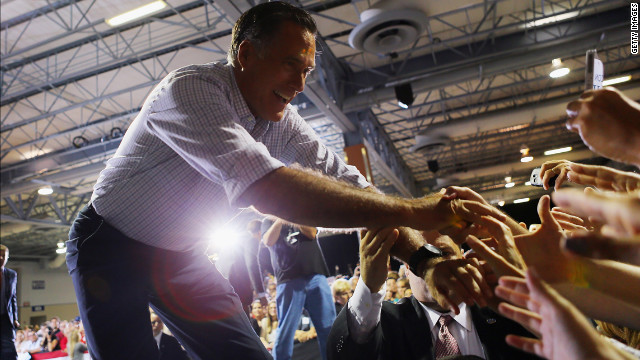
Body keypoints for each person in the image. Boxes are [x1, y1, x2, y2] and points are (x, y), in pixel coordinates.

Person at [66, 2, 504, 358]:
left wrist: (424, 260)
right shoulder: (190, 91)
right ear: (245, 55)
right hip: (109, 246)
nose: (298, 85)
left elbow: (349, 182)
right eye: (290, 66)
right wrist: (415, 209)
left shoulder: (283, 120)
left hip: (181, 257)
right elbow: (268, 187)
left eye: (308, 72)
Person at [327, 228, 538, 360]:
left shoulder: (502, 309)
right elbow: (344, 353)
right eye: (423, 257)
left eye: (444, 253)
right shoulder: (387, 321)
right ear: (407, 269)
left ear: (463, 259)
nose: (436, 267)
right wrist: (369, 286)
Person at [262, 218, 334, 360]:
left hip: (315, 275)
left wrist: (293, 214)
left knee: (329, 328)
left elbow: (311, 233)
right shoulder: (268, 220)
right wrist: (280, 217)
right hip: (288, 280)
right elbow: (268, 241)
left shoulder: (302, 212)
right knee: (285, 332)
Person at [1, 244, 19, 360]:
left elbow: (13, 298)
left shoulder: (12, 274)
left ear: (7, 257)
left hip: (5, 318)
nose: (1, 258)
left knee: (10, 352)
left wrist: (15, 318)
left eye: (3, 256)